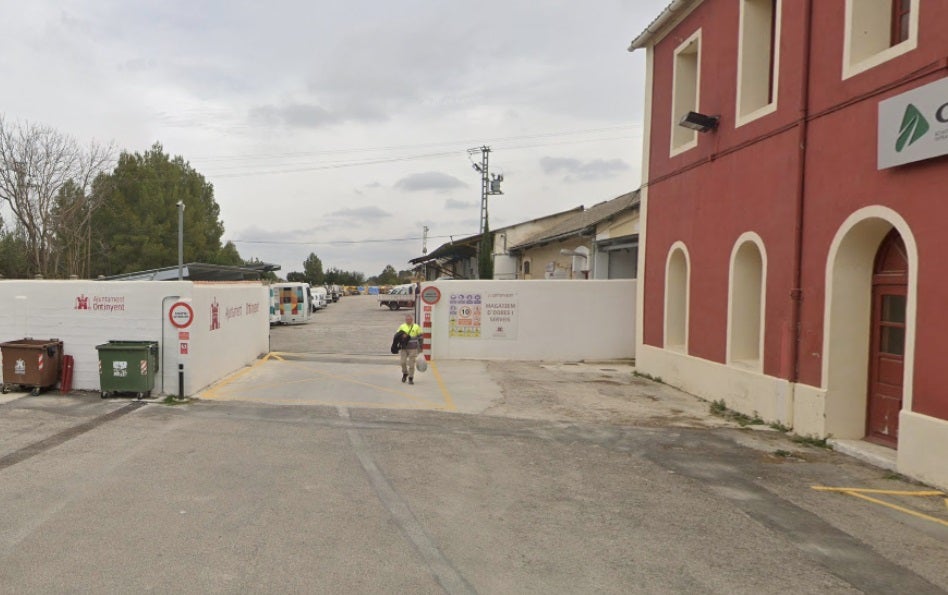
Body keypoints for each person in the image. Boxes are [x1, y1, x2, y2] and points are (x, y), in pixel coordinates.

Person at [396, 313, 423, 385]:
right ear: (405, 320)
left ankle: (411, 378)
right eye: (407, 319)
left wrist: (421, 347)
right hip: (404, 348)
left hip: (413, 348)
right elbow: (397, 336)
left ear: (412, 320)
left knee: (411, 364)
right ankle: (405, 373)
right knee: (403, 362)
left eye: (409, 319)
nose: (408, 320)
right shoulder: (402, 326)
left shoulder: (416, 327)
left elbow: (420, 338)